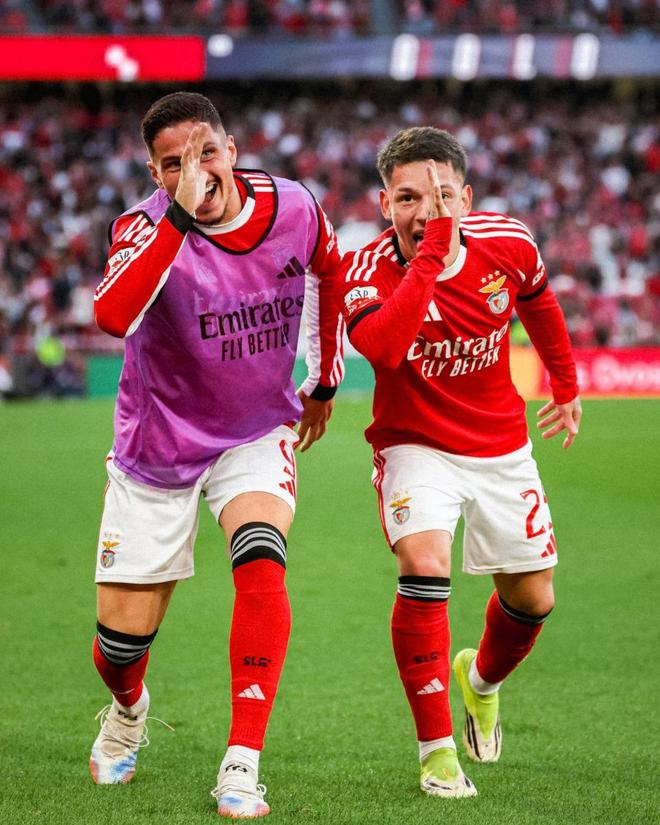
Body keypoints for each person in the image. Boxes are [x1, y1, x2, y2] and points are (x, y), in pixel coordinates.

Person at [89, 92, 344, 819]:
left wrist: (325, 377)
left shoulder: (294, 206)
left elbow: (329, 271)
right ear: (155, 173)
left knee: (262, 559)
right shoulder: (142, 226)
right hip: (159, 446)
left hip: (254, 429)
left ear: (232, 151)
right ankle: (129, 708)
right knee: (118, 647)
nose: (195, 171)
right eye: (173, 163)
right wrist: (176, 215)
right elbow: (112, 315)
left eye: (206, 153)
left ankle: (242, 763)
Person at [337, 127, 581, 798]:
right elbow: (385, 349)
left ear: (467, 199)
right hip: (413, 444)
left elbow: (540, 301)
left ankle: (481, 683)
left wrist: (565, 383)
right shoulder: (364, 270)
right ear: (384, 203)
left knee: (533, 599)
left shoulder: (509, 242)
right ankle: (436, 750)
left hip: (500, 444)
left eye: (442, 196)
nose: (426, 211)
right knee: (424, 565)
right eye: (408, 198)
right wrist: (429, 261)